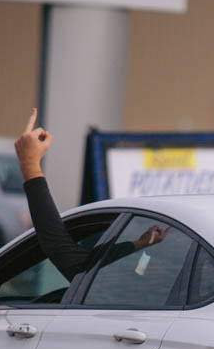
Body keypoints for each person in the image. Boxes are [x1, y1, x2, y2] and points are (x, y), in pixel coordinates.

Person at [14, 108, 166, 280]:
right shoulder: (156, 279)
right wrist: (141, 245)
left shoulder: (123, 284)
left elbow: (64, 252)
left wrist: (29, 164)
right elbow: (137, 273)